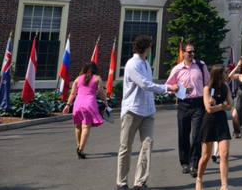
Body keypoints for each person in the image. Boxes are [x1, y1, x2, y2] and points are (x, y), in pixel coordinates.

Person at [116, 35, 184, 190]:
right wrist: (168, 88)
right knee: (126, 147)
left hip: (148, 110)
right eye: (150, 46)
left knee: (147, 144)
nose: (151, 48)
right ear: (145, 47)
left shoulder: (146, 63)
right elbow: (145, 85)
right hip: (132, 110)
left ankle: (140, 182)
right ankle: (121, 182)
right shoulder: (132, 64)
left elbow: (148, 86)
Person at [166, 43, 210, 177]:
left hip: (198, 103)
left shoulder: (201, 66)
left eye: (193, 52)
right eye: (189, 52)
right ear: (183, 53)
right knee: (184, 134)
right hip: (184, 104)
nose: (191, 54)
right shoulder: (177, 69)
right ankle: (184, 162)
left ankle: (193, 165)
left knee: (196, 135)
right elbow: (168, 85)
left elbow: (208, 83)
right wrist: (179, 87)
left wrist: (210, 99)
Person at [196, 64, 233, 190]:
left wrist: (219, 105)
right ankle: (199, 179)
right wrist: (223, 105)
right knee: (205, 156)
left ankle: (224, 185)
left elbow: (230, 105)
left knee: (225, 153)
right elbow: (209, 109)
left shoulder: (225, 86)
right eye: (225, 72)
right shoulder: (207, 88)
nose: (227, 73)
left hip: (222, 122)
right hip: (209, 122)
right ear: (218, 74)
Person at [63, 61, 107, 159]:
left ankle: (78, 145)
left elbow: (73, 93)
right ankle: (81, 150)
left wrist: (67, 105)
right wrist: (105, 102)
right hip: (89, 104)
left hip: (77, 104)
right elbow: (101, 92)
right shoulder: (97, 78)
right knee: (86, 127)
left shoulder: (78, 79)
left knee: (78, 126)